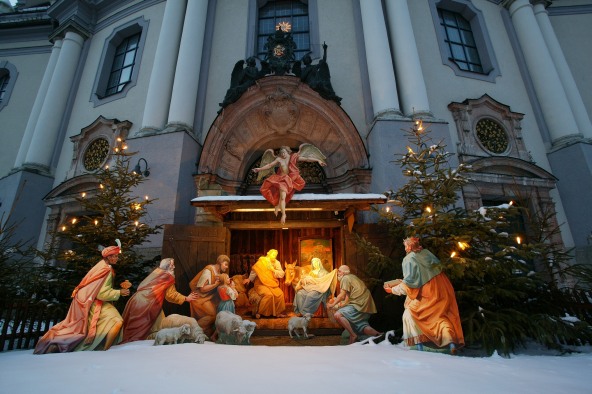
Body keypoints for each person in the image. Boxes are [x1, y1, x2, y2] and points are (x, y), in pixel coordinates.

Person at [34, 242, 130, 354]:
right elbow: (101, 293)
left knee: (77, 326)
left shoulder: (102, 266)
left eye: (117, 256)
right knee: (116, 321)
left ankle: (103, 347)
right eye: (115, 256)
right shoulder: (105, 269)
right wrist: (119, 292)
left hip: (87, 300)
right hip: (93, 302)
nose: (117, 258)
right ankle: (104, 350)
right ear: (108, 256)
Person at [384, 237, 464, 354]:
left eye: (406, 246)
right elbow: (423, 275)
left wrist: (393, 290)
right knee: (440, 316)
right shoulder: (426, 253)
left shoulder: (409, 258)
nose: (405, 249)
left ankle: (418, 345)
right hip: (443, 288)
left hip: (428, 292)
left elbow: (410, 283)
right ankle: (450, 343)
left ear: (410, 247)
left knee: (409, 314)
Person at [120, 258, 198, 344]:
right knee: (141, 327)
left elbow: (140, 286)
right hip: (148, 303)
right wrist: (186, 298)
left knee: (139, 324)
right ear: (167, 266)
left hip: (136, 299)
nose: (174, 267)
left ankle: (143, 340)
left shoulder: (156, 272)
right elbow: (170, 295)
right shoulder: (168, 277)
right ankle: (136, 343)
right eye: (172, 265)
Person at [252, 143, 326, 224]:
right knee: (280, 195)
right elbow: (270, 165)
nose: (283, 154)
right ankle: (281, 210)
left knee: (282, 196)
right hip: (281, 179)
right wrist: (259, 169)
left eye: (284, 152)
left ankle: (283, 213)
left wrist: (318, 160)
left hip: (289, 179)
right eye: (281, 153)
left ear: (288, 152)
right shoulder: (279, 159)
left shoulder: (293, 157)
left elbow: (306, 159)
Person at [327, 265, 381, 344]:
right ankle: (382, 336)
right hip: (366, 305)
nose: (338, 273)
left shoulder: (345, 278)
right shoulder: (352, 277)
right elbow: (347, 297)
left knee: (338, 315)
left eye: (340, 271)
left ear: (344, 273)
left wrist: (332, 305)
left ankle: (353, 335)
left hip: (359, 303)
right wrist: (341, 305)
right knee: (361, 326)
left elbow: (342, 295)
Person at [188, 254, 230, 337]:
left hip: (207, 297)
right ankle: (195, 331)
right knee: (213, 315)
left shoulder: (218, 272)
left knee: (218, 313)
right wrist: (216, 284)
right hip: (199, 297)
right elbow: (202, 289)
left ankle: (205, 332)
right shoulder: (209, 270)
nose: (226, 267)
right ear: (220, 263)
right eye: (225, 264)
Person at [243, 249, 286, 318]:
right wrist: (249, 279)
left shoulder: (276, 262)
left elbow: (281, 274)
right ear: (268, 253)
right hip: (260, 283)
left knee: (280, 294)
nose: (274, 256)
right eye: (273, 254)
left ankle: (278, 313)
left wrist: (273, 270)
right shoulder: (262, 261)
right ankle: (260, 313)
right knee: (269, 295)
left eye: (275, 255)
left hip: (271, 283)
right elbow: (255, 270)